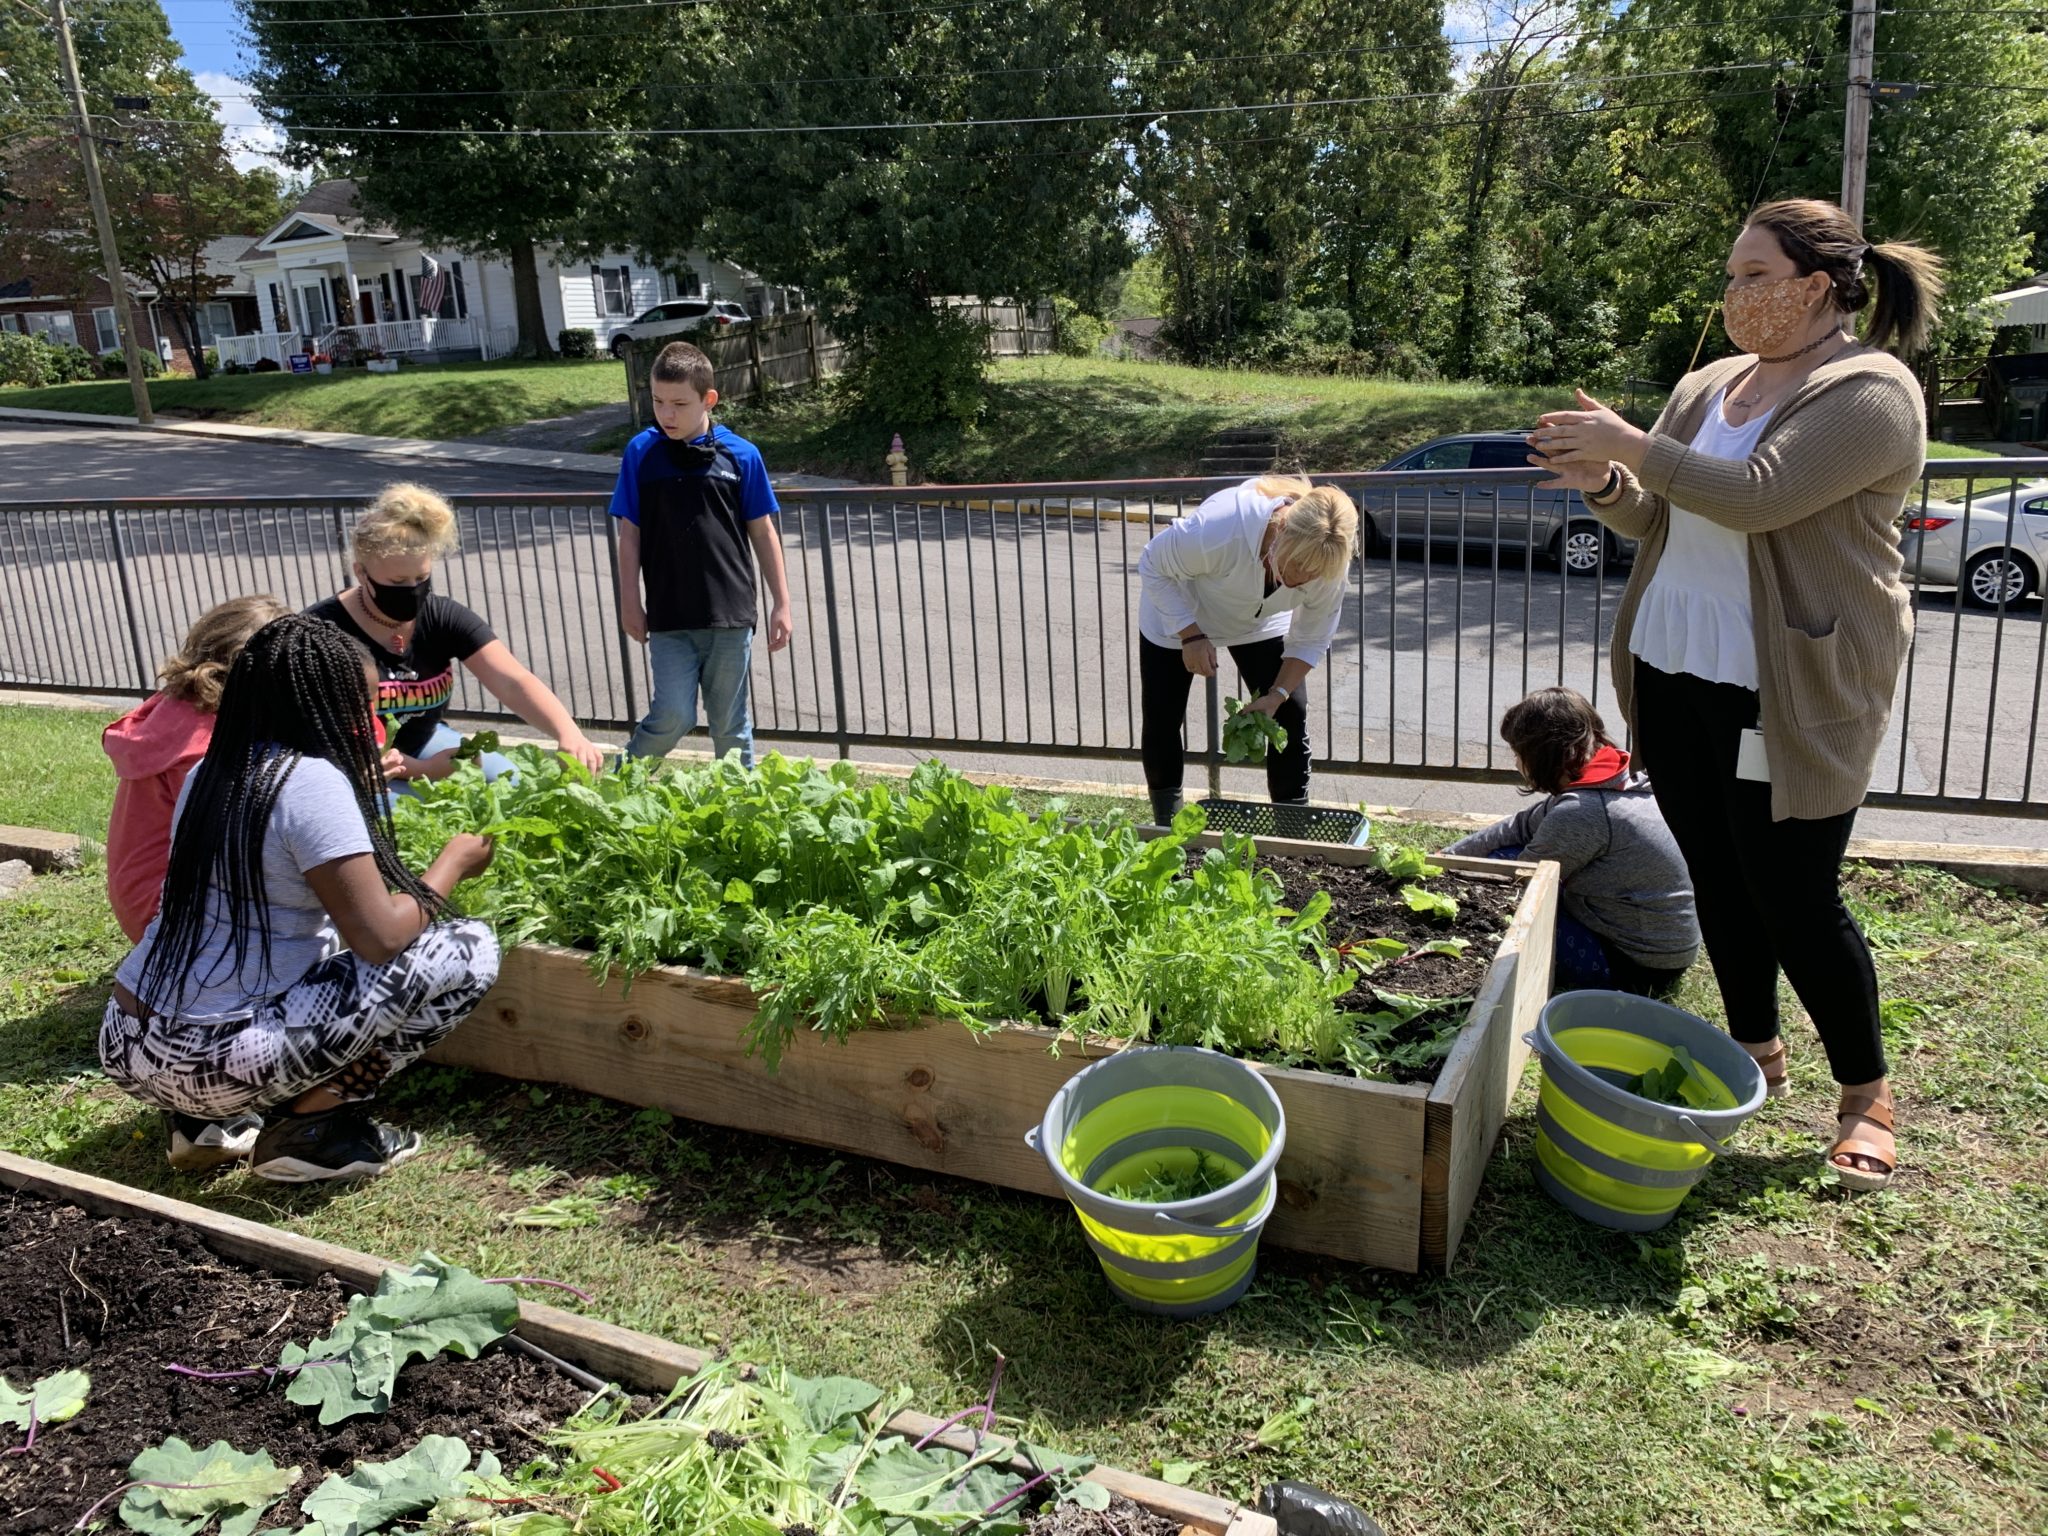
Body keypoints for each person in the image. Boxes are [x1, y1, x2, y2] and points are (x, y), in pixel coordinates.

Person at [1525, 197, 1944, 1192]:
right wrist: (1601, 480)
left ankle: (1865, 1096)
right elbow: (1654, 518)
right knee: (1716, 874)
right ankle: (1752, 1048)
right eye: (1729, 275)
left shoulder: (1870, 391)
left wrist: (1626, 441)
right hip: (1671, 669)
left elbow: (1757, 495)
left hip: (1787, 688)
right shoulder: (1710, 382)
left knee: (1793, 896)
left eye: (1751, 276)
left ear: (1814, 285)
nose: (1731, 294)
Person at [100, 614, 501, 1180]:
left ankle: (199, 1124)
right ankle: (316, 1125)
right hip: (214, 1059)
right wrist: (453, 863)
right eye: (359, 706)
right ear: (318, 706)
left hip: (127, 1040)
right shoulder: (310, 781)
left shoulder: (210, 769)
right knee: (470, 946)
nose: (369, 723)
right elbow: (382, 937)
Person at [306, 482, 606, 788]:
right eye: (397, 581)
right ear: (361, 573)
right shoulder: (319, 631)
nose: (412, 589)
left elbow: (512, 681)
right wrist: (416, 769)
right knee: (399, 821)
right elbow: (305, 732)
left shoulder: (441, 616)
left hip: (428, 741)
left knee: (511, 784)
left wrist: (568, 732)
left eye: (421, 578)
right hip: (355, 762)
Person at [1136, 476, 1358, 827]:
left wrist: (1278, 694)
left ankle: (1291, 829)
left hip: (1258, 620)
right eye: (1295, 568)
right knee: (1163, 717)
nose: (1302, 581)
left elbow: (1311, 638)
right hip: (1183, 609)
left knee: (1290, 710)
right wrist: (1190, 636)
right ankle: (1168, 827)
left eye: (1313, 575)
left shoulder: (1328, 561)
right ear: (1282, 531)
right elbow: (1152, 563)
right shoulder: (1222, 527)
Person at [1446, 687, 1699, 996]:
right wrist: (1445, 857)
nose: (1515, 763)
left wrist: (1451, 884)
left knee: (1502, 900)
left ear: (1543, 754)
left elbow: (1521, 882)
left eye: (1517, 754)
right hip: (1666, 951)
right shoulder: (1614, 776)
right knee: (1504, 855)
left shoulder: (1584, 812)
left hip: (1635, 968)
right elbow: (1521, 825)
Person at [611, 340, 794, 767]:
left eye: (679, 403)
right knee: (673, 714)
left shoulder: (742, 455)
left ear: (708, 399)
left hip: (729, 614)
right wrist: (629, 603)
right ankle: (620, 785)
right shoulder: (642, 453)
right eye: (658, 401)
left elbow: (763, 531)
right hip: (669, 614)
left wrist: (781, 603)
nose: (667, 414)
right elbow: (630, 534)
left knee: (730, 725)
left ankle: (739, 812)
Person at [103, 594, 292, 944]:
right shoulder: (208, 745)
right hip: (170, 919)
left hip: (142, 902)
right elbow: (252, 837)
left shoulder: (176, 707)